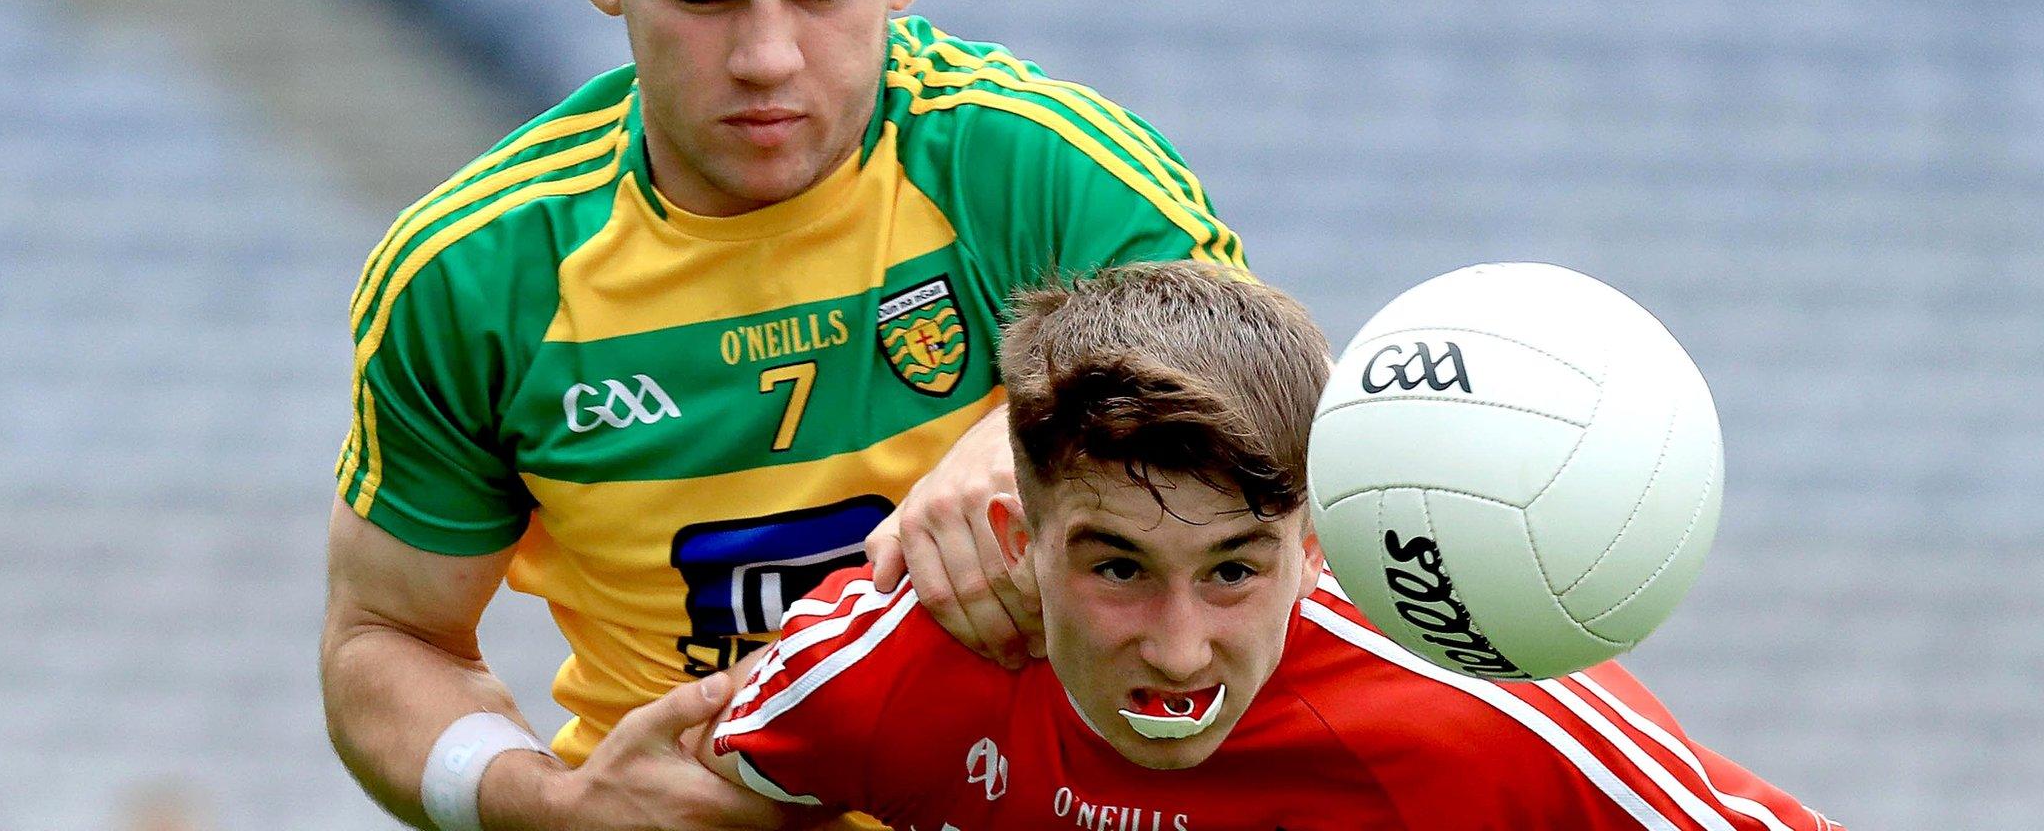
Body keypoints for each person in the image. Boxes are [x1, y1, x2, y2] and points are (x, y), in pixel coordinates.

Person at [318, 0, 1246, 830]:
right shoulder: (470, 276)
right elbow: (386, 638)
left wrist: (1027, 438)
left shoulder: (1040, 171)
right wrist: (541, 805)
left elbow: (1263, 414)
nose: (765, 57)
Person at [701, 261, 1845, 831]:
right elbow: (671, 780)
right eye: (1116, 570)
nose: (1181, 649)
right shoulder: (882, 670)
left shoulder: (1492, 717)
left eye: (1234, 570)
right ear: (1019, 535)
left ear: (1316, 547)